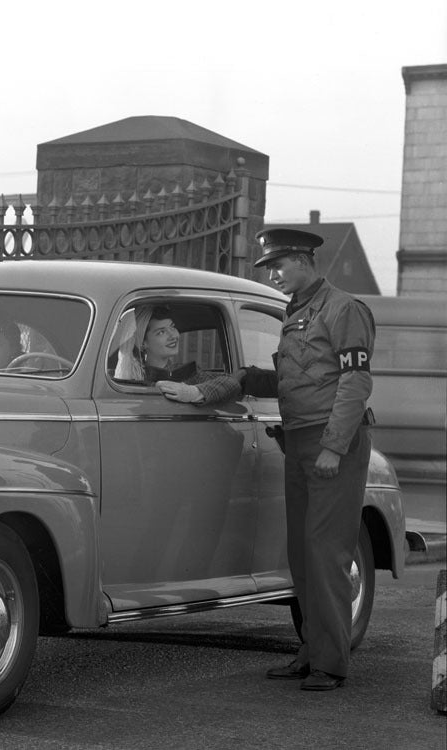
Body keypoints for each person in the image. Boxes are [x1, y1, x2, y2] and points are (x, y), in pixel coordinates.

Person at [239, 228, 375, 691]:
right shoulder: (295, 311)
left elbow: (355, 382)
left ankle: (331, 663)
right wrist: (236, 380)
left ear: (303, 259)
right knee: (301, 553)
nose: (273, 275)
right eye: (269, 268)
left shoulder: (343, 308)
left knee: (326, 552)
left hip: (331, 441)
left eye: (278, 265)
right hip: (298, 440)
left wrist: (334, 446)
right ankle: (312, 650)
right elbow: (292, 377)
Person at [111, 304, 241, 405]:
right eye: (161, 332)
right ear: (143, 343)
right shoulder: (122, 378)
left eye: (172, 327)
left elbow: (231, 382)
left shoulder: (188, 373)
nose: (173, 335)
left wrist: (194, 392)